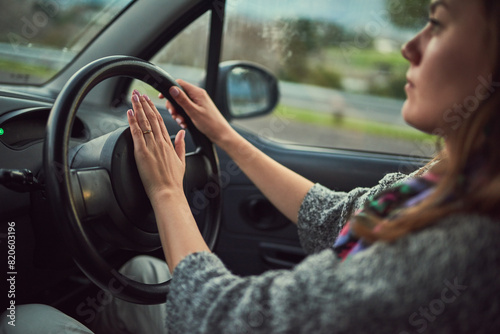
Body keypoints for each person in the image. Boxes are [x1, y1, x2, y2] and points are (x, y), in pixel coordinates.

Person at [2, 0, 499, 333]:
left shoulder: (463, 240)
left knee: (27, 320)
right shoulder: (440, 187)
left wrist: (167, 192)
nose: (408, 47)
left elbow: (223, 318)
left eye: (436, 22)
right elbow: (332, 216)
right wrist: (225, 137)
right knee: (140, 273)